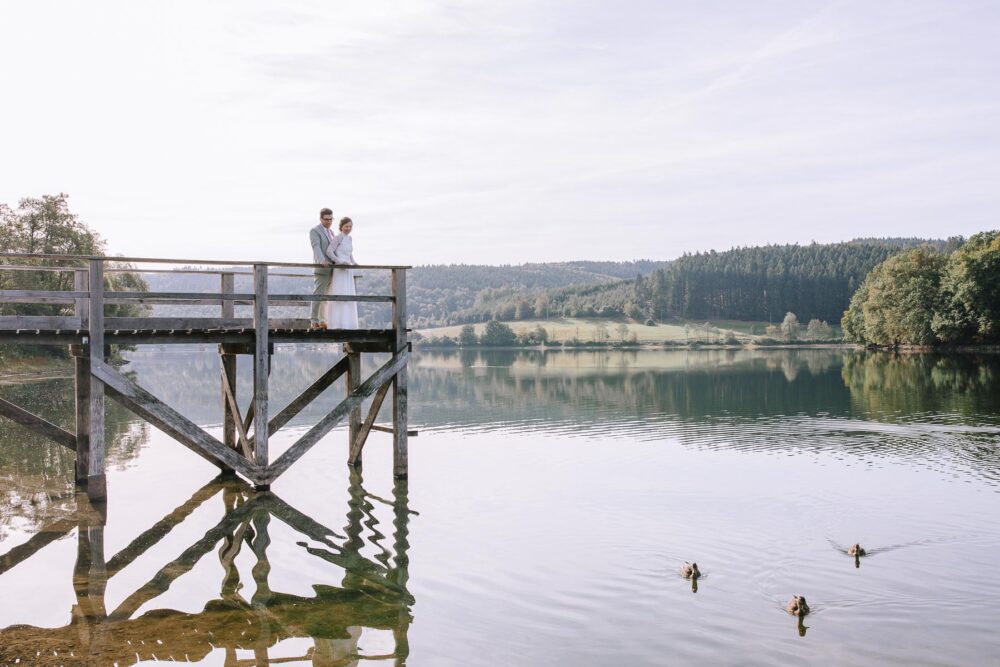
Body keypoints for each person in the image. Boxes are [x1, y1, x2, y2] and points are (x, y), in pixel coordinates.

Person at [323, 216, 359, 329]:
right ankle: (337, 323)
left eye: (350, 226)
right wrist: (339, 261)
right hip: (340, 269)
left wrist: (354, 262)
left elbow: (349, 253)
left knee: (348, 293)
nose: (348, 228)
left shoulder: (350, 238)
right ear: (341, 227)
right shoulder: (338, 238)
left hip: (348, 269)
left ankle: (348, 323)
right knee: (340, 292)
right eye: (346, 226)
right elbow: (329, 251)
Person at [309, 208, 336, 329]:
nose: (329, 221)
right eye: (326, 219)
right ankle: (314, 321)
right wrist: (321, 260)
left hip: (333, 269)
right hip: (322, 268)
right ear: (321, 219)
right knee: (318, 294)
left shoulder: (332, 233)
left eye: (331, 219)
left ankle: (322, 321)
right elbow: (316, 247)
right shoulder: (315, 231)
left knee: (325, 296)